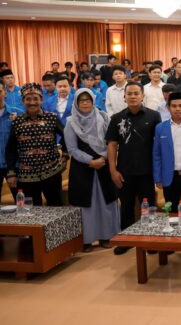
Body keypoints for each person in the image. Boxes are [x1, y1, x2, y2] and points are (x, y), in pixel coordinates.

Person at [106, 82, 162, 255]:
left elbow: (159, 145)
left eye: (136, 93)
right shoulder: (116, 118)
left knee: (149, 207)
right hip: (124, 172)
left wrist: (158, 172)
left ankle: (150, 240)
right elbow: (112, 145)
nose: (132, 96)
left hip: (147, 171)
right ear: (124, 97)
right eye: (129, 93)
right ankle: (127, 240)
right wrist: (113, 170)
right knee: (126, 207)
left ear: (142, 96)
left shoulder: (154, 116)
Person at [65, 89, 120, 252]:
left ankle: (107, 236)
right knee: (85, 205)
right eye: (81, 100)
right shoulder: (71, 122)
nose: (85, 103)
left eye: (88, 100)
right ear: (76, 103)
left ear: (93, 101)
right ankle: (86, 240)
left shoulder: (103, 117)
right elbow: (72, 149)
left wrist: (103, 158)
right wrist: (91, 161)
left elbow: (111, 142)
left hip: (103, 165)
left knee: (106, 201)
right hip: (83, 168)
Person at [6, 83, 67, 206]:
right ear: (23, 101)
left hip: (51, 172)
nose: (32, 102)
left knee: (56, 206)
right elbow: (11, 148)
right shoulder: (17, 122)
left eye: (35, 99)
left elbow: (66, 136)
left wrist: (65, 154)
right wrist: (11, 171)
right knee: (32, 210)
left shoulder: (52, 118)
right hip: (27, 176)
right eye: (28, 99)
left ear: (41, 100)